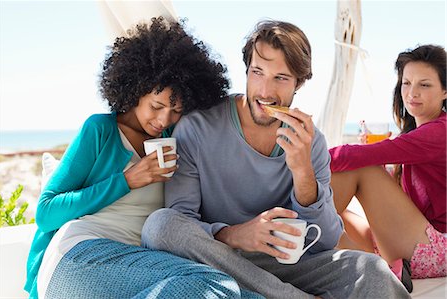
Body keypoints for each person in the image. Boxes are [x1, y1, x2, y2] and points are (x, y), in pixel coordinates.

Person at [142, 19, 411, 299]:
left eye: (280, 78)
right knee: (160, 224)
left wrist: (303, 172)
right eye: (258, 72)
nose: (266, 91)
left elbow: (326, 241)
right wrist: (235, 235)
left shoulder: (310, 142)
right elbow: (180, 222)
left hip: (286, 266)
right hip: (218, 256)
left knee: (371, 268)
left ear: (299, 83)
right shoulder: (198, 127)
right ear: (246, 71)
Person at [24, 17, 263, 299]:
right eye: (156, 105)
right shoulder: (101, 130)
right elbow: (47, 212)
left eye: (176, 110)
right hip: (82, 253)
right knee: (209, 283)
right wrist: (127, 180)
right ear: (136, 90)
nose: (164, 119)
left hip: (144, 266)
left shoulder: (178, 137)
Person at [329, 44, 446, 287]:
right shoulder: (420, 132)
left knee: (360, 167)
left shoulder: (439, 132)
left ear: (445, 91)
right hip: (416, 237)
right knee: (326, 209)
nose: (412, 92)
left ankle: (290, 246)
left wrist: (305, 158)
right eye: (406, 83)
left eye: (424, 85)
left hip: (438, 250)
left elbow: (360, 157)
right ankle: (375, 268)